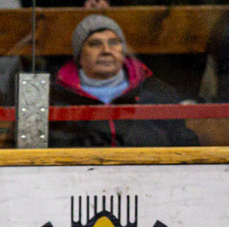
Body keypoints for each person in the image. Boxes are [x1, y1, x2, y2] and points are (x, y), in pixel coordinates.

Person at [49, 14, 200, 147]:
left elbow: (184, 144)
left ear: (123, 51)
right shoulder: (57, 96)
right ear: (79, 55)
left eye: (114, 43)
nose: (106, 50)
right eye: (95, 44)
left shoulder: (157, 92)